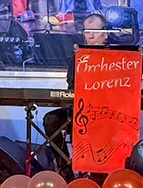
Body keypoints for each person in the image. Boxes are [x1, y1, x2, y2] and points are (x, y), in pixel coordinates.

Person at [42, 13, 108, 179]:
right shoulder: (77, 56)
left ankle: (98, 174)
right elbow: (71, 87)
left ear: (105, 33)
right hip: (80, 110)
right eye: (87, 31)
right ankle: (66, 172)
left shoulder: (117, 57)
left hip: (105, 113)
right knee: (51, 120)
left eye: (94, 31)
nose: (90, 36)